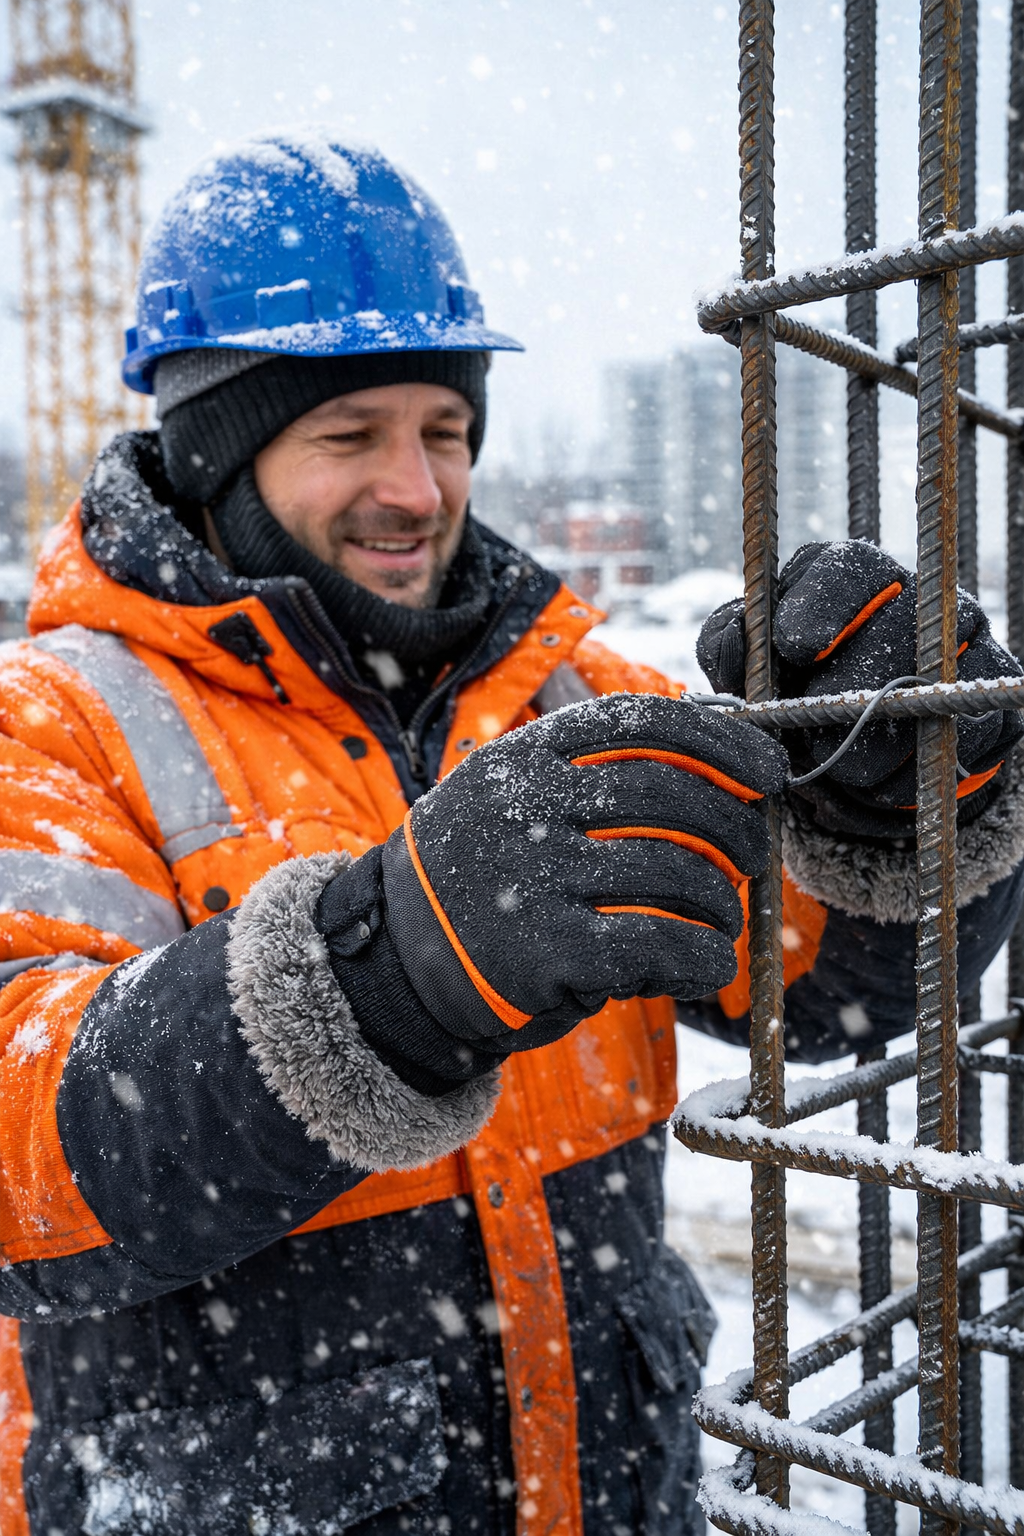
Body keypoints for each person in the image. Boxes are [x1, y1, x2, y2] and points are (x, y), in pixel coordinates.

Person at [0, 130, 1021, 1536]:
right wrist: (388, 975)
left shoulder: (566, 683)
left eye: (444, 430)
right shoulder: (55, 718)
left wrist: (908, 798)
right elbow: (23, 1166)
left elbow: (816, 979)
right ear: (211, 456)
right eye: (349, 434)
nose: (417, 489)